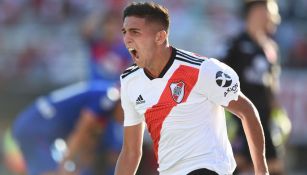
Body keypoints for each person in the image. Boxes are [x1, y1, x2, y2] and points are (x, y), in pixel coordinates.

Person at [115, 2, 268, 175]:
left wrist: (261, 171)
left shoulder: (202, 69)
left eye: (135, 32)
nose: (127, 38)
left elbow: (247, 111)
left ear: (159, 37)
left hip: (209, 168)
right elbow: (130, 152)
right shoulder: (130, 81)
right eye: (124, 32)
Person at [222, 0, 283, 174]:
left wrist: (276, 111)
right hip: (240, 118)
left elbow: (271, 84)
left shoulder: (271, 49)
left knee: (275, 166)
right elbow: (217, 80)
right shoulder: (234, 45)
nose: (275, 18)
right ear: (256, 12)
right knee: (237, 164)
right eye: (271, 12)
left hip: (265, 120)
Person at [12, 80, 122, 175]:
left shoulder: (106, 96)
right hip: (36, 129)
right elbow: (82, 133)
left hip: (39, 127)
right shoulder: (108, 97)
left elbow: (87, 144)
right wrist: (67, 164)